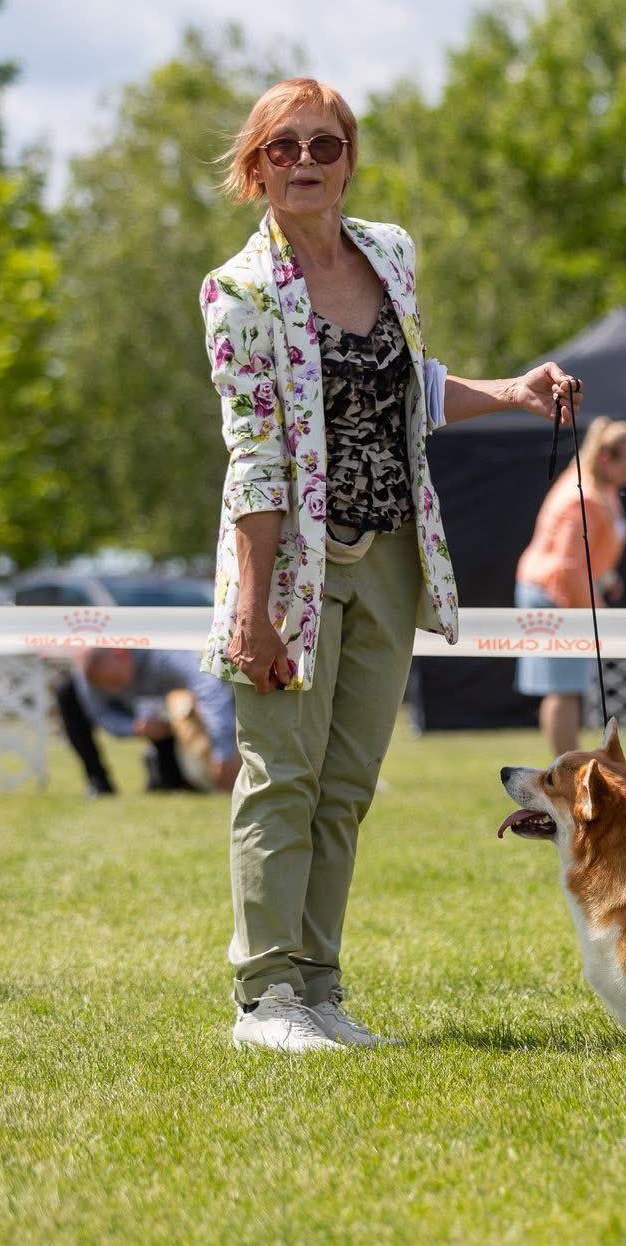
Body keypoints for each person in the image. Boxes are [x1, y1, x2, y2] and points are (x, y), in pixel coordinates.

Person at [204, 77, 580, 1053]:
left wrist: (512, 389)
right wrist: (256, 609)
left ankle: (318, 990)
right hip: (287, 565)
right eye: (282, 148)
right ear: (256, 165)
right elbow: (254, 452)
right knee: (280, 775)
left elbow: (406, 384)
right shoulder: (237, 292)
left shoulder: (391, 255)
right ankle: (264, 1000)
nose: (304, 164)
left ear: (348, 159)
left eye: (323, 146)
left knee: (346, 787)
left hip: (391, 559)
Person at [515, 416, 626, 755]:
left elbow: (589, 553)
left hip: (567, 591)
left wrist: (605, 576)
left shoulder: (599, 488)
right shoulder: (583, 497)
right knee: (562, 687)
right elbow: (568, 565)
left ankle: (567, 765)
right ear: (606, 459)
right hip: (553, 595)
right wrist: (593, 610)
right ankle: (567, 769)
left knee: (568, 685)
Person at [55, 647, 239, 796]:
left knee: (184, 703)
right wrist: (134, 727)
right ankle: (99, 781)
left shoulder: (166, 654)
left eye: (115, 681)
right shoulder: (90, 674)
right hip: (146, 719)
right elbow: (102, 714)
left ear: (121, 653)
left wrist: (222, 751)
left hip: (191, 718)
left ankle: (202, 772)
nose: (112, 690)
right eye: (106, 686)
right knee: (67, 693)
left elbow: (210, 691)